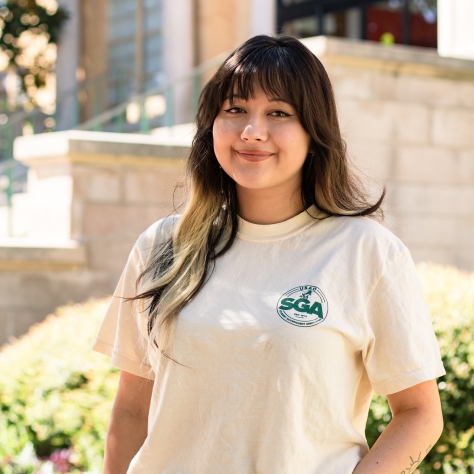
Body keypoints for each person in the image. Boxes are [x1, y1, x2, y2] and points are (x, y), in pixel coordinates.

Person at [92, 35, 445, 474]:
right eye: (235, 110)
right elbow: (130, 412)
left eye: (278, 113)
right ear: (211, 126)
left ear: (314, 133)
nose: (252, 131)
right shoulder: (162, 245)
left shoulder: (366, 252)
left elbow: (420, 414)